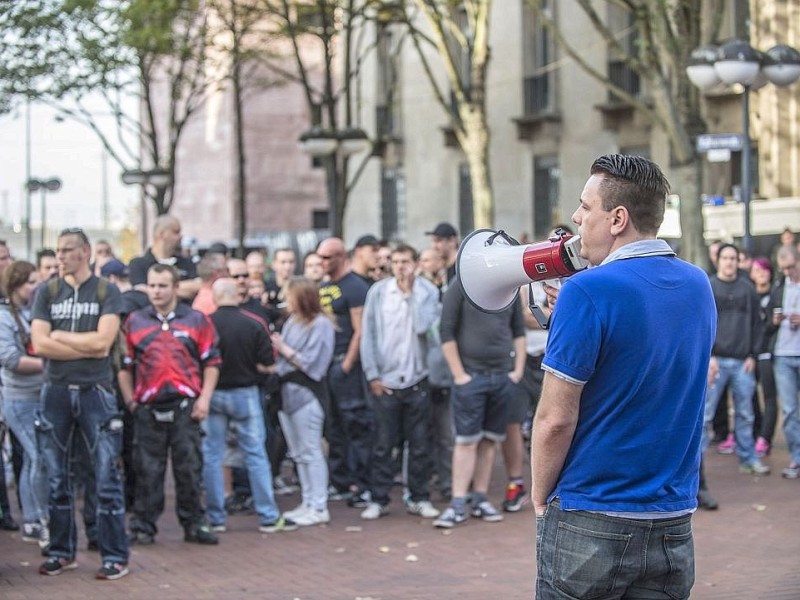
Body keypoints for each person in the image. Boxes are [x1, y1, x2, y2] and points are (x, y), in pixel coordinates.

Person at [532, 155, 716, 599]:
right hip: (672, 518)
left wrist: (540, 499)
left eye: (585, 206)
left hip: (591, 512)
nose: (576, 218)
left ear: (617, 219)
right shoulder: (698, 283)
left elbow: (554, 420)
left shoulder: (585, 290)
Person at [31, 228, 129, 580]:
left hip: (95, 391)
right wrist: (76, 344)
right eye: (57, 250)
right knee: (57, 478)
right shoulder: (47, 292)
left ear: (85, 252)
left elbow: (103, 343)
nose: (60, 256)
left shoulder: (107, 291)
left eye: (67, 250)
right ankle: (61, 551)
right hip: (55, 390)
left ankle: (115, 555)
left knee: (105, 477)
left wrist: (61, 335)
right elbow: (39, 344)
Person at [119, 264, 220, 547]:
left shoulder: (197, 320)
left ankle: (194, 523)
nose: (157, 291)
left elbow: (212, 362)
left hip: (186, 406)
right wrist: (130, 400)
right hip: (147, 407)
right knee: (146, 470)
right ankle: (143, 526)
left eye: (163, 285)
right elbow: (124, 365)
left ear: (175, 288)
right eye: (152, 285)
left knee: (189, 468)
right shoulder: (135, 321)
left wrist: (205, 399)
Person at [203, 278, 296, 533]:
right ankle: (267, 515)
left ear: (215, 297)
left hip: (213, 393)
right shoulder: (253, 323)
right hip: (245, 392)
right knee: (255, 453)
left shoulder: (205, 324)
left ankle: (216, 517)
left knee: (212, 455)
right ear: (237, 295)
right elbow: (268, 363)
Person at [433, 277, 525, 528]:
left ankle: (480, 499)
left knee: (490, 440)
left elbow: (518, 330)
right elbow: (446, 331)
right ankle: (457, 503)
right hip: (471, 377)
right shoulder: (460, 285)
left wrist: (516, 370)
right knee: (466, 441)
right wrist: (459, 375)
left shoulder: (508, 288)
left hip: (502, 377)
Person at [359, 244, 441, 521]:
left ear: (416, 264)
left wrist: (409, 296)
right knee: (383, 444)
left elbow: (423, 328)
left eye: (405, 261)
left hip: (418, 380)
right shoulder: (378, 292)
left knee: (419, 445)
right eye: (395, 262)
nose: (400, 267)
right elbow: (367, 335)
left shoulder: (427, 293)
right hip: (387, 381)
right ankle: (378, 498)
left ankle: (418, 497)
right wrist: (373, 374)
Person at [270, 277, 335, 526]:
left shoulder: (321, 325)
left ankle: (319, 505)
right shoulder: (293, 321)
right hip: (287, 395)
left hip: (307, 395)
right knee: (298, 453)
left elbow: (314, 365)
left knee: (311, 450)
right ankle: (308, 501)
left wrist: (283, 349)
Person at [703, 243, 769, 476]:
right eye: (725, 258)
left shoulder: (747, 288)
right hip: (715, 362)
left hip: (743, 362)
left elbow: (757, 324)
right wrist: (708, 356)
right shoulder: (709, 287)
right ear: (718, 261)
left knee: (745, 414)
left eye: (733, 258)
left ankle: (748, 459)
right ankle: (695, 468)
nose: (729, 262)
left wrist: (753, 354)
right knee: (705, 416)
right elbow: (703, 324)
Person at [317, 237, 373, 505]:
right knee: (333, 427)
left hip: (345, 364)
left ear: (341, 257)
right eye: (320, 257)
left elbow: (360, 329)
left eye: (328, 257)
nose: (323, 262)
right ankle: (340, 482)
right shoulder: (324, 286)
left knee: (356, 426)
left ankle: (362, 485)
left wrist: (347, 364)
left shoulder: (355, 287)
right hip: (326, 366)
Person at [0, 261, 48, 548]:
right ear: (16, 285)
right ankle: (40, 518)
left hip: (40, 393)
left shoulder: (35, 312)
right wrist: (50, 364)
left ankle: (31, 518)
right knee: (39, 455)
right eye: (30, 282)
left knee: (33, 458)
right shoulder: (4, 317)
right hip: (18, 398)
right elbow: (10, 360)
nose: (35, 287)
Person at [768, 244, 800, 478]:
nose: (787, 272)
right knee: (789, 410)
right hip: (782, 354)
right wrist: (775, 320)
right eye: (784, 268)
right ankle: (796, 458)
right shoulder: (779, 287)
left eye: (791, 267)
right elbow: (766, 323)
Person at [128, 215, 200, 301]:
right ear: (162, 234)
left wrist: (157, 290)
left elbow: (198, 286)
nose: (181, 237)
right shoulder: (138, 264)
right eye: (176, 232)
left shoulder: (187, 263)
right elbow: (141, 292)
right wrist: (184, 288)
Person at [749, 257, 778, 457]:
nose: (761, 274)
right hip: (750, 354)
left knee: (769, 397)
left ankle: (765, 438)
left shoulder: (776, 295)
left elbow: (768, 327)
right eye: (757, 270)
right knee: (749, 396)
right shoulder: (749, 295)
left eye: (764, 270)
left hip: (768, 353)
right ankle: (753, 434)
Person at [426, 223, 459, 290]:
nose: (434, 246)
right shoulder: (441, 270)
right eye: (433, 241)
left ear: (452, 241)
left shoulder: (461, 269)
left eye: (438, 241)